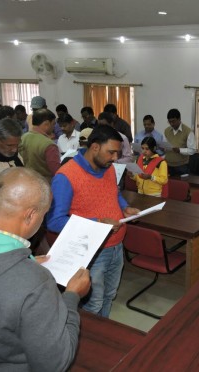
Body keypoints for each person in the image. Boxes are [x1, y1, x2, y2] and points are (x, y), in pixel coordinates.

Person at [0, 167, 91, 371]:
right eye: (44, 215)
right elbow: (55, 364)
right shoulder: (35, 282)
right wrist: (72, 296)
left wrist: (25, 263)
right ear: (30, 215)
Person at [47, 125, 140, 317]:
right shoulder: (66, 176)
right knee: (92, 303)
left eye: (118, 153)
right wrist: (96, 223)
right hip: (91, 252)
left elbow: (114, 194)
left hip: (116, 246)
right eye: (112, 152)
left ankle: (102, 335)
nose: (115, 158)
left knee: (109, 296)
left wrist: (124, 207)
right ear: (95, 147)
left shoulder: (108, 168)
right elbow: (54, 222)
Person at [19, 108, 60, 182]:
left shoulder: (23, 138)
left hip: (25, 182)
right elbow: (57, 171)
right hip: (45, 185)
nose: (54, 127)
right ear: (47, 123)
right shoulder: (49, 145)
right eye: (53, 124)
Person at [163, 108, 196, 176]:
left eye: (173, 121)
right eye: (169, 122)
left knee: (181, 185)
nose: (172, 124)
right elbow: (165, 144)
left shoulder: (188, 131)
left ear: (179, 119)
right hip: (168, 164)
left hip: (182, 166)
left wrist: (179, 150)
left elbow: (192, 150)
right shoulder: (166, 130)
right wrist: (163, 148)